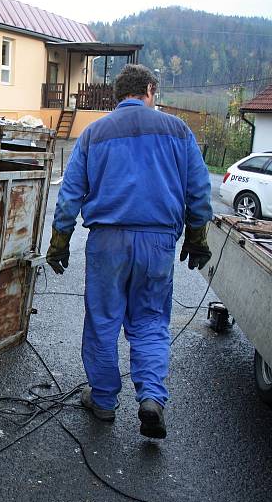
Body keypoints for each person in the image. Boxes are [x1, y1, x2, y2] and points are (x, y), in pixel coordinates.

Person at [45, 64, 213, 439]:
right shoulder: (178, 131)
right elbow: (199, 190)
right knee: (151, 321)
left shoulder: (94, 134)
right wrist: (197, 236)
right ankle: (151, 397)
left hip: (107, 242)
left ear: (118, 95)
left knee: (103, 320)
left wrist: (59, 241)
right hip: (157, 243)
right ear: (150, 91)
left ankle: (103, 402)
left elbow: (70, 193)